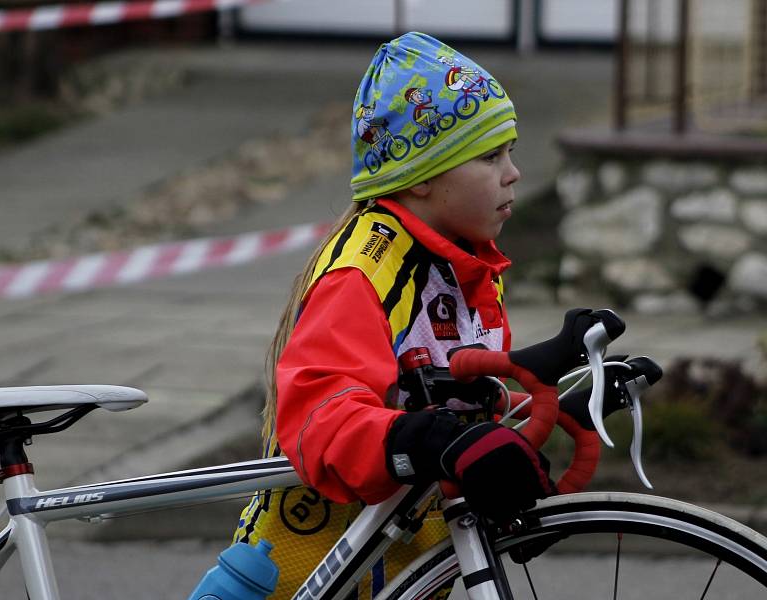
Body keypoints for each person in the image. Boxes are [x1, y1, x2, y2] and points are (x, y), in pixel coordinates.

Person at [234, 32, 554, 599]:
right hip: (309, 569)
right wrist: (437, 440)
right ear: (423, 175)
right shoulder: (363, 273)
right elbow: (321, 418)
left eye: (511, 151)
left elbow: (449, 395)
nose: (514, 173)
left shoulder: (464, 264)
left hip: (406, 563)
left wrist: (534, 405)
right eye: (490, 156)